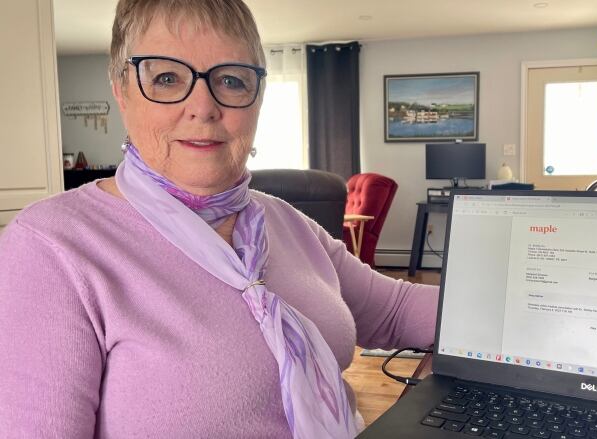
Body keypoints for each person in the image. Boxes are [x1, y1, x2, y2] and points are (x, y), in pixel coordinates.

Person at [0, 0, 438, 437]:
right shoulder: (50, 248)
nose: (203, 107)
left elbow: (396, 310)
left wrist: (502, 296)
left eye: (231, 80)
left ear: (257, 98)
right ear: (122, 89)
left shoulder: (285, 221)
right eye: (167, 78)